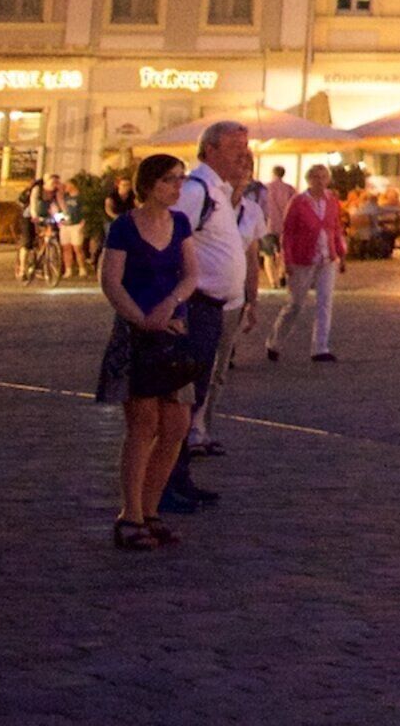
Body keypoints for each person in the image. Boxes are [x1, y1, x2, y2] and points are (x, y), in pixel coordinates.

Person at [98, 151, 202, 549]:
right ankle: (131, 515)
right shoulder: (125, 227)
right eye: (169, 180)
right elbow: (111, 281)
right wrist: (142, 319)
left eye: (181, 179)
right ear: (148, 185)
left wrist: (171, 302)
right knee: (143, 426)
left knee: (175, 427)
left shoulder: (180, 223)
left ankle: (152, 509)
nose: (178, 187)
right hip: (137, 333)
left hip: (174, 329)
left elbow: (191, 273)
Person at [163, 121, 262, 514]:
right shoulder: (195, 191)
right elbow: (168, 242)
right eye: (236, 147)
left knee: (194, 398)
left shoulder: (219, 193)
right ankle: (167, 482)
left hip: (213, 309)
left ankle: (179, 477)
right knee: (180, 399)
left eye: (246, 147)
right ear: (210, 150)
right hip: (193, 308)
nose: (245, 155)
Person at [267, 163, 344, 364]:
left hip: (327, 257)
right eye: (316, 177)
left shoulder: (332, 201)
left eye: (323, 177)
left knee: (325, 302)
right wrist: (288, 259)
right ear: (309, 179)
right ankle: (274, 342)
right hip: (303, 258)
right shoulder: (298, 202)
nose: (320, 181)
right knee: (295, 304)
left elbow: (335, 228)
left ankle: (320, 347)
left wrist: (341, 253)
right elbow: (288, 233)